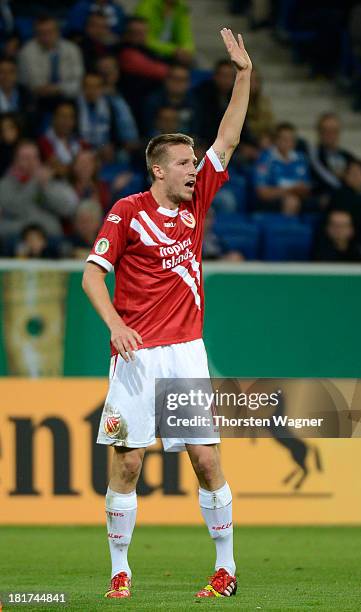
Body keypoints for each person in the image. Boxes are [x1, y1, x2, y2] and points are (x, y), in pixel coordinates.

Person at [82, 28, 251, 600]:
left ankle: (226, 571)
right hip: (134, 358)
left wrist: (244, 74)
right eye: (183, 162)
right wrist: (116, 325)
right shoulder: (127, 213)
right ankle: (119, 572)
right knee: (127, 466)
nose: (193, 169)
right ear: (158, 169)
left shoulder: (197, 200)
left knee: (206, 459)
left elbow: (228, 135)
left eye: (193, 162)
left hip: (184, 353)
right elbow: (90, 276)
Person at [0, 140, 78, 239]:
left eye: (35, 157)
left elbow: (68, 208)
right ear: (16, 160)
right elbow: (17, 208)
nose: (31, 162)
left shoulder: (51, 181)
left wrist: (46, 188)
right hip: (15, 238)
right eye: (25, 158)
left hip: (49, 237)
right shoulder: (5, 184)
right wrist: (30, 184)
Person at [18, 16, 84, 114]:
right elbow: (27, 82)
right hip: (37, 100)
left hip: (67, 98)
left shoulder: (72, 49)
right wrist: (44, 89)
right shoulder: (26, 52)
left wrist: (58, 89)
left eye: (50, 32)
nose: (46, 36)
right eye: (42, 33)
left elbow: (78, 82)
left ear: (58, 32)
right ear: (35, 34)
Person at [253, 122, 311, 215]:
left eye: (291, 139)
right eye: (284, 139)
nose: (288, 143)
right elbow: (262, 192)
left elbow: (306, 188)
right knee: (291, 201)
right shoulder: (265, 158)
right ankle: (287, 229)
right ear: (276, 140)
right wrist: (289, 190)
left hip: (297, 199)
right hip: (271, 201)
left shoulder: (301, 158)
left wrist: (299, 190)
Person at [308, 113, 356, 202]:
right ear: (319, 132)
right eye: (326, 131)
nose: (330, 134)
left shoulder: (347, 155)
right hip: (324, 198)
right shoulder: (313, 154)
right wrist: (345, 181)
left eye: (334, 131)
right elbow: (323, 176)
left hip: (345, 196)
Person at [135, 0, 195, 65]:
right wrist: (173, 50)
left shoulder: (180, 7)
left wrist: (187, 50)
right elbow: (144, 41)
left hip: (169, 54)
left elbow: (186, 37)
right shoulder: (147, 7)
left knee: (191, 62)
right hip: (147, 53)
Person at [39, 102, 83, 178]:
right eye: (63, 117)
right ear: (54, 119)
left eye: (71, 117)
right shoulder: (45, 141)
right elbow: (60, 171)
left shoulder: (77, 141)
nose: (67, 121)